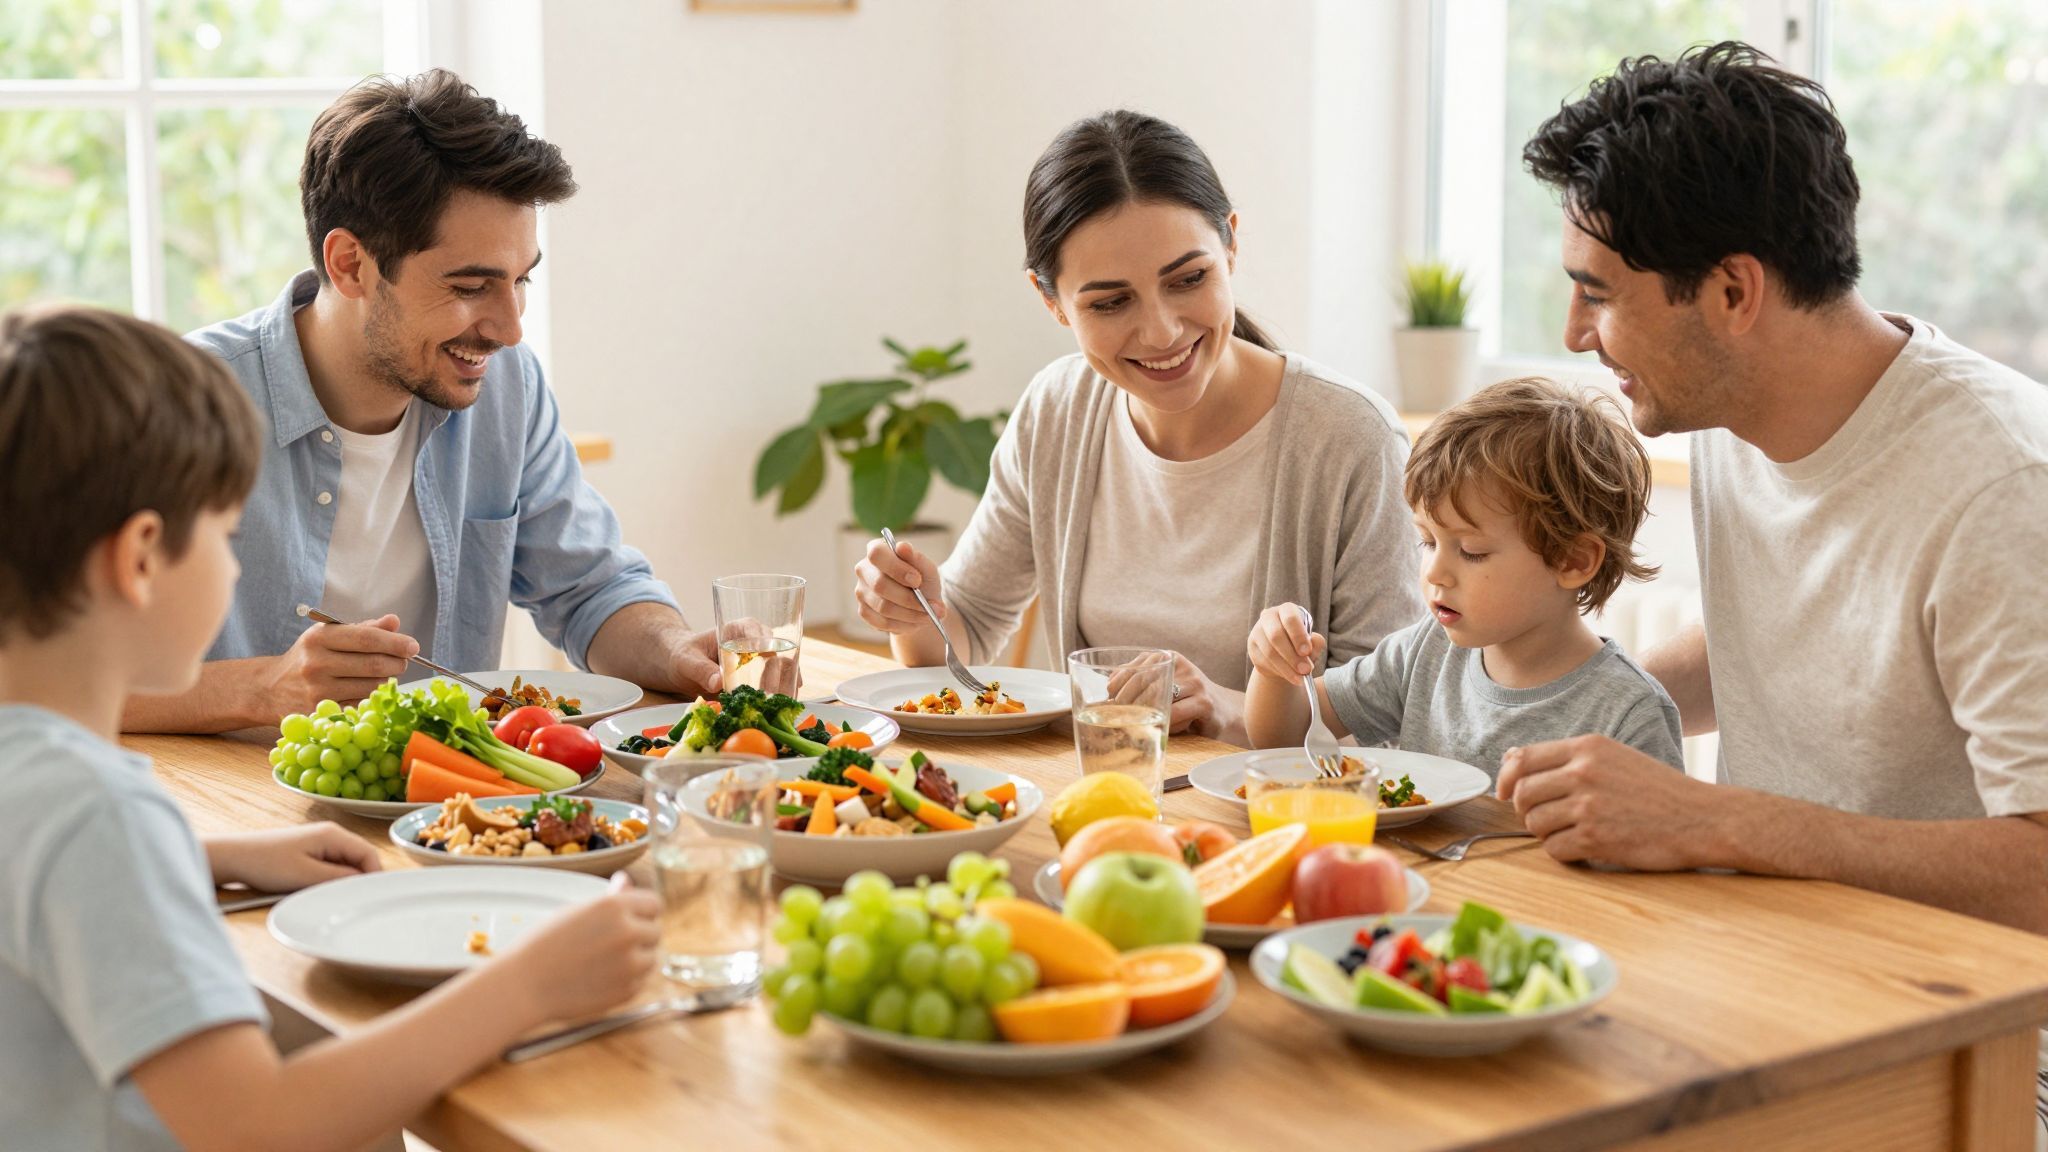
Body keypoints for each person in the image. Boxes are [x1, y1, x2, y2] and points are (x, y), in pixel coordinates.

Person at [0, 305, 659, 1151]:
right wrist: (528, 986)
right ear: (139, 559)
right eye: (223, 531)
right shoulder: (100, 814)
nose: (235, 564)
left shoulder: (43, 780)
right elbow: (257, 1125)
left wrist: (202, 859)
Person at [1495, 42, 2048, 935]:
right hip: (1781, 960)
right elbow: (1802, 652)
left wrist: (1714, 820)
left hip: (1984, 1047)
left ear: (1731, 292)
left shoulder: (2005, 488)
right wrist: (1533, 710)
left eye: (1597, 295)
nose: (1573, 334)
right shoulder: (1730, 406)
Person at [123, 69, 719, 734]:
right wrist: (262, 689)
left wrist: (678, 650)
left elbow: (591, 589)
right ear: (349, 264)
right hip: (225, 813)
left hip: (438, 811)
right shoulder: (172, 405)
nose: (510, 327)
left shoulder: (507, 386)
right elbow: (27, 675)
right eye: (471, 286)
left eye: (521, 280)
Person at [851, 110, 1422, 745]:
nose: (1162, 333)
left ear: (1230, 244)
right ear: (1051, 302)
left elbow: (1392, 713)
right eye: (1110, 302)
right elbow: (968, 633)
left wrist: (1228, 707)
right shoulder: (1057, 411)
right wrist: (914, 610)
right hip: (1102, 795)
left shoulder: (1351, 438)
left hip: (1282, 823)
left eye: (1189, 279)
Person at [1246, 377, 1681, 777]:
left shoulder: (1631, 714)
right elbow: (1283, 735)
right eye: (1428, 542)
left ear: (1572, 561)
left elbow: (1656, 852)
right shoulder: (1424, 652)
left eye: (1471, 552)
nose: (1435, 572)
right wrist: (1275, 669)